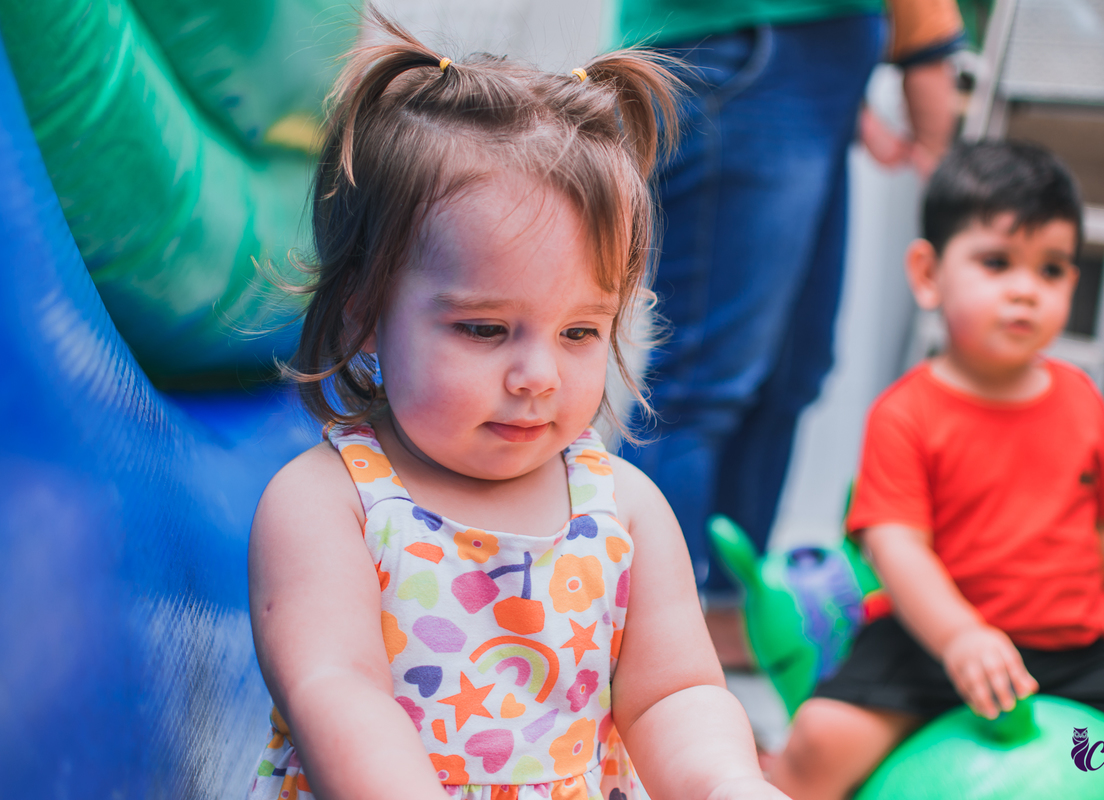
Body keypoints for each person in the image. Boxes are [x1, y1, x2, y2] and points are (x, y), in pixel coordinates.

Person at [244, 14, 792, 800]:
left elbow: (676, 694)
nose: (537, 374)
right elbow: (338, 691)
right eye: (485, 328)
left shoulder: (622, 511)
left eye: (579, 331)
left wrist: (723, 782)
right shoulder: (333, 505)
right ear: (365, 312)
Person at [769, 142, 1104, 799]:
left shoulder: (1081, 400)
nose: (1026, 290)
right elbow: (896, 548)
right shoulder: (905, 413)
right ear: (929, 273)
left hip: (1068, 654)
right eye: (997, 263)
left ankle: (1081, 775)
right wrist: (960, 637)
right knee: (820, 741)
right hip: (930, 648)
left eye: (1051, 270)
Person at [612, 0, 964, 659]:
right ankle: (638, 646)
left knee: (791, 374)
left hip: (800, 69)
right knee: (700, 384)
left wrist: (844, 101)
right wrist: (934, 109)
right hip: (746, 54)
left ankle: (721, 622)